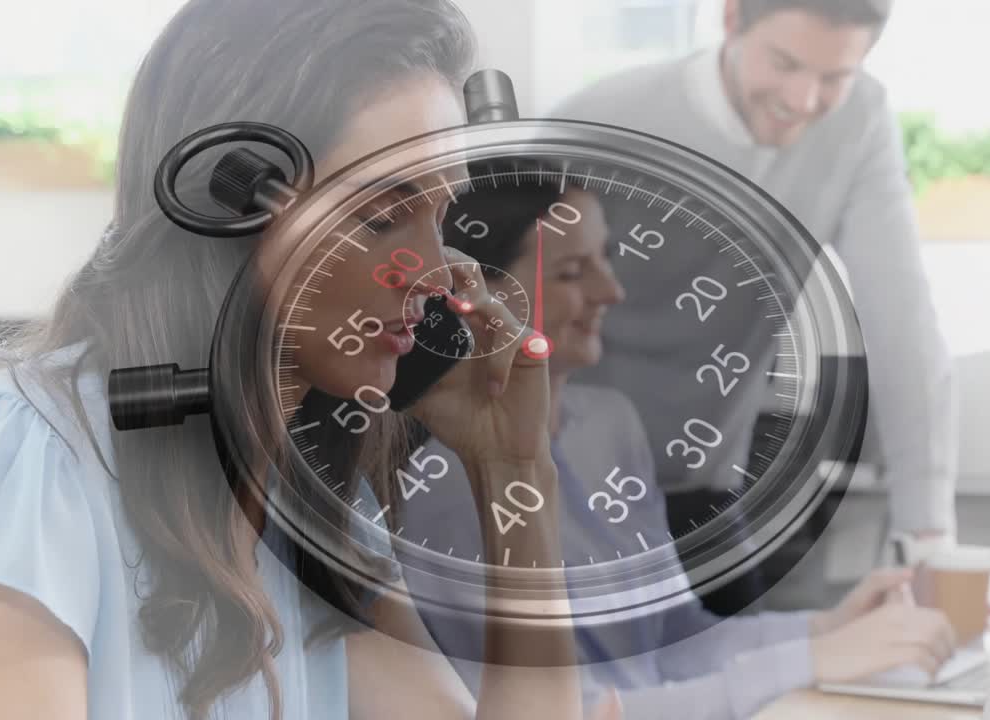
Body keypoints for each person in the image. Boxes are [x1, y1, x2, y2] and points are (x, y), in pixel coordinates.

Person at [0, 2, 601, 719]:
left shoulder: (311, 507)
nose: (435, 271)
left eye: (439, 217)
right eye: (383, 215)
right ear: (225, 206)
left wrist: (515, 468)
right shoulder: (20, 462)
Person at [397, 176, 958, 718]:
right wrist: (812, 660)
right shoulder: (445, 486)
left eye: (605, 259)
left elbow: (676, 643)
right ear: (476, 294)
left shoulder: (610, 425)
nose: (610, 291)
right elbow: (582, 712)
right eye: (571, 272)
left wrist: (828, 628)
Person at [551, 0, 958, 612]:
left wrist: (928, 534)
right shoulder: (602, 120)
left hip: (703, 484)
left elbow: (902, 321)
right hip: (571, 488)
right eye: (785, 63)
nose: (803, 99)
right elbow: (494, 284)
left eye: (833, 77)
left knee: (753, 679)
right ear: (733, 19)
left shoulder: (861, 122)